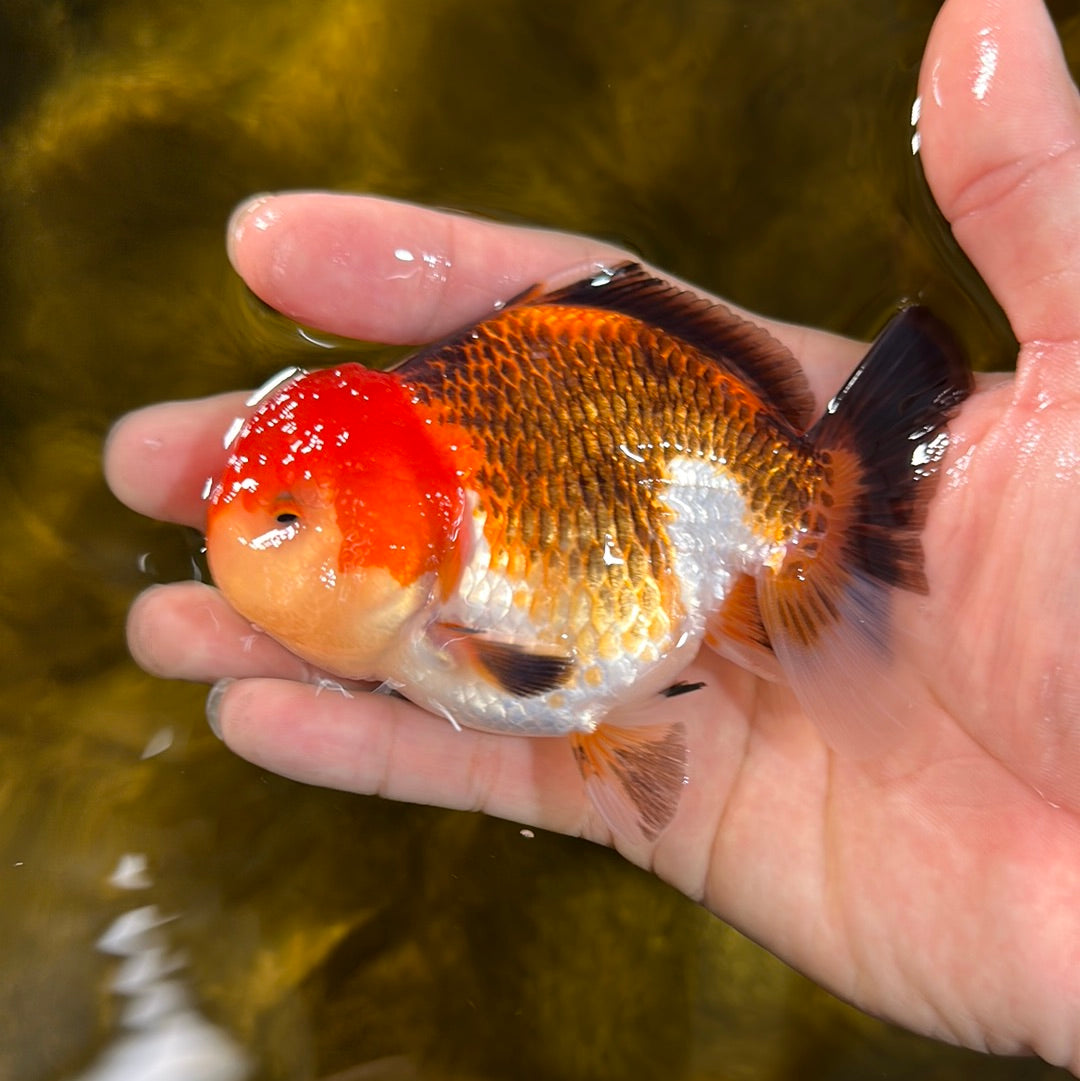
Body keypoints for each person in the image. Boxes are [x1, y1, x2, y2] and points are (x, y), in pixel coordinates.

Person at [104, 0, 1080, 1070]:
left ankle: (839, 510)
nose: (255, 542)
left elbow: (531, 670)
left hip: (691, 470)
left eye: (291, 522)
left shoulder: (461, 621)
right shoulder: (433, 595)